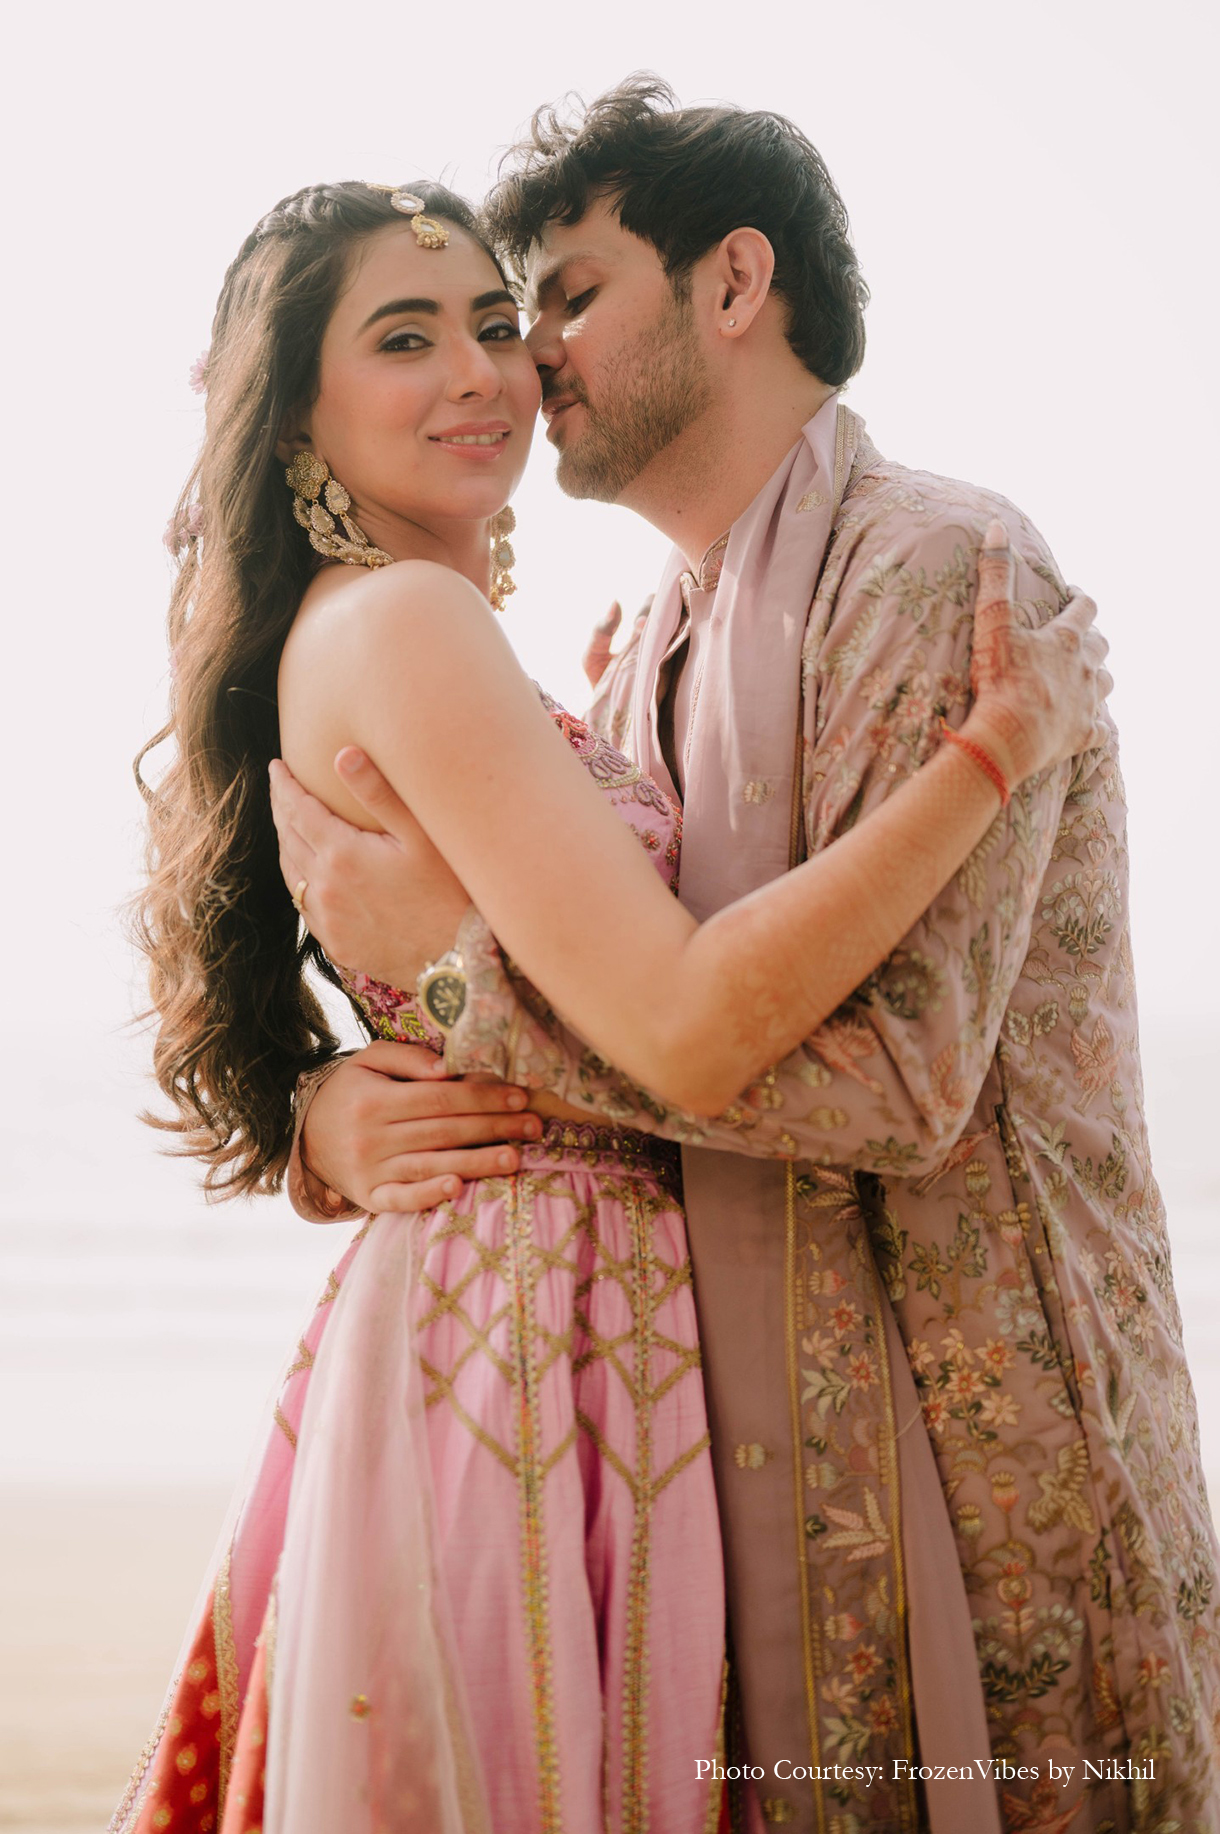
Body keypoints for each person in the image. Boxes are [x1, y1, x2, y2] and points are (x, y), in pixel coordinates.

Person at [273, 82, 1220, 1833]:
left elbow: (904, 1083)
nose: (529, 355)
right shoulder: (641, 650)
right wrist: (341, 1107)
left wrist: (474, 1000)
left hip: (996, 1449)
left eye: (566, 296)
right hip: (752, 1476)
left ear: (731, 283)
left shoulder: (939, 573)